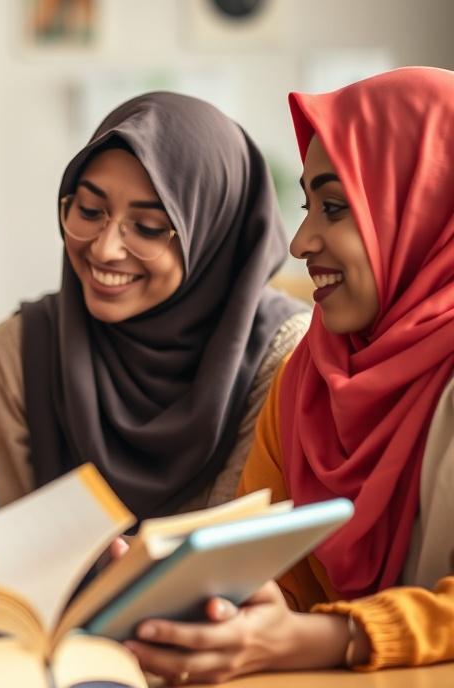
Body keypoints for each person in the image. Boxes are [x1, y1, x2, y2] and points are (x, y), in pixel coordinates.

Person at [124, 67, 454, 684]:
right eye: (309, 206)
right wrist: (198, 601)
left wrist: (334, 635)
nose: (301, 241)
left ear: (427, 205)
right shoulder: (311, 377)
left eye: (335, 207)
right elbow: (274, 573)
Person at [0, 92, 308, 518]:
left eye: (148, 227)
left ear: (212, 238)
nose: (106, 249)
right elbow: (1, 550)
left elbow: (242, 552)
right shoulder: (19, 352)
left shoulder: (283, 355)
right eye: (90, 210)